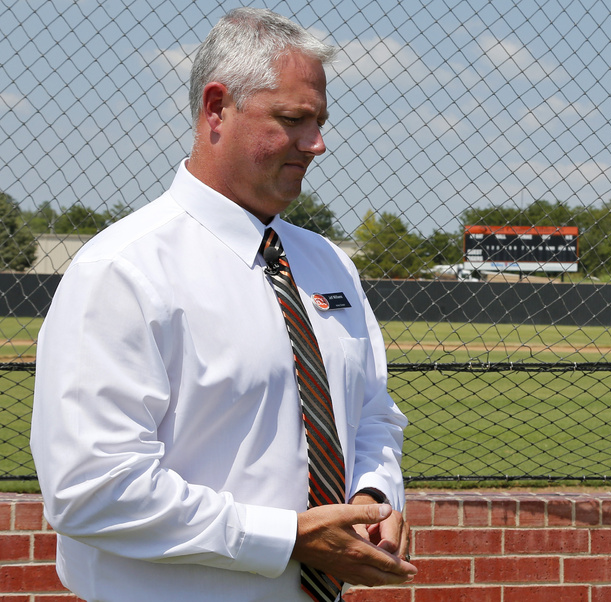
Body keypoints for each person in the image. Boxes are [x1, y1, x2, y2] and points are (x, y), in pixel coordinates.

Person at [30, 7, 416, 601]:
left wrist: (373, 495)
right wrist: (284, 538)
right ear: (216, 108)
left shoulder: (328, 262)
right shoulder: (123, 269)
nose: (317, 144)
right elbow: (91, 490)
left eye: (320, 121)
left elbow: (371, 418)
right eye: (293, 120)